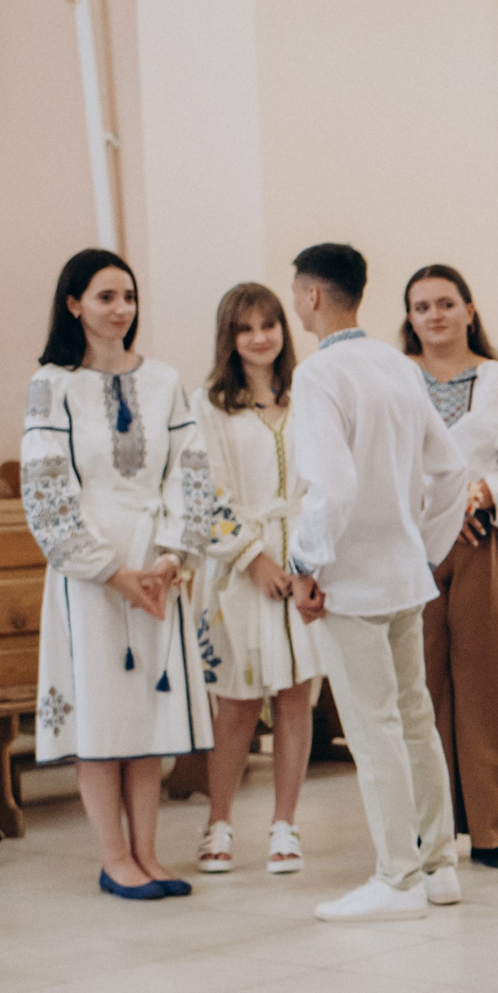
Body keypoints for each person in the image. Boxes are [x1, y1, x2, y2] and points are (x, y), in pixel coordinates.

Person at [21, 248, 224, 899]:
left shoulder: (164, 380)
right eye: (105, 296)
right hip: (91, 570)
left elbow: (191, 472)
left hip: (156, 562)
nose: (120, 309)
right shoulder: (53, 384)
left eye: (128, 296)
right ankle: (114, 859)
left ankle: (149, 855)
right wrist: (111, 571)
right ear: (74, 303)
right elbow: (46, 487)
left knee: (148, 714)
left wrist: (172, 556)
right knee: (102, 712)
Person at [285, 242, 473, 921]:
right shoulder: (397, 365)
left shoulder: (318, 374)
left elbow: (331, 488)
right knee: (415, 721)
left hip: (351, 581)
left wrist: (304, 563)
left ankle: (398, 877)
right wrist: (423, 550)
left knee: (375, 730)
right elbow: (451, 472)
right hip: (401, 574)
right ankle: (440, 866)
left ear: (311, 295)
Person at [404, 264, 498, 870]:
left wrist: (479, 495)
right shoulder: (396, 379)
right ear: (409, 318)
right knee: (419, 687)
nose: (434, 315)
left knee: (490, 686)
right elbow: (383, 461)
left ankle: (495, 828)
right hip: (414, 549)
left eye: (445, 303)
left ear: (469, 309)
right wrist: (437, 510)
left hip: (487, 540)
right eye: (421, 307)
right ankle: (428, 826)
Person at [192, 282, 323, 877]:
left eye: (268, 324)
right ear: (230, 337)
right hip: (239, 572)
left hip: (304, 563)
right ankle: (219, 822)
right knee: (238, 704)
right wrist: (253, 558)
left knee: (296, 697)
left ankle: (284, 826)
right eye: (245, 328)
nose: (259, 337)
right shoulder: (210, 405)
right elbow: (204, 492)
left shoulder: (307, 394)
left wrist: (309, 561)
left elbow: (324, 480)